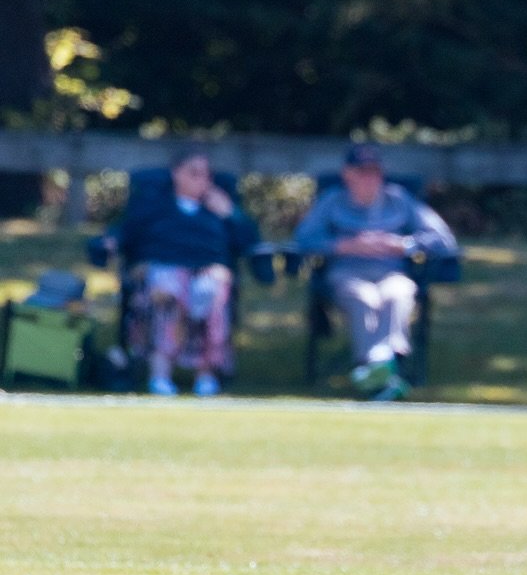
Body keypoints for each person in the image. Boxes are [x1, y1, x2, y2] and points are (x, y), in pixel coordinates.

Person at [292, 144, 458, 401]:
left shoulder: (399, 200)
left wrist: (403, 245)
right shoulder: (332, 202)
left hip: (391, 272)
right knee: (364, 298)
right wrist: (344, 245)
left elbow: (443, 239)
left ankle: (375, 371)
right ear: (348, 174)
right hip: (347, 274)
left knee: (398, 293)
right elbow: (303, 239)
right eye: (363, 172)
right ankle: (383, 369)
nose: (370, 179)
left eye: (375, 172)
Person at [114, 146, 259, 397]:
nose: (202, 180)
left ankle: (206, 374)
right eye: (194, 173)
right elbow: (124, 232)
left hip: (207, 269)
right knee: (169, 288)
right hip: (163, 268)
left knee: (210, 289)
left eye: (206, 174)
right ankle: (160, 374)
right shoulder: (155, 205)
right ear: (176, 174)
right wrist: (108, 243)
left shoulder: (220, 209)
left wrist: (230, 214)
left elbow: (251, 242)